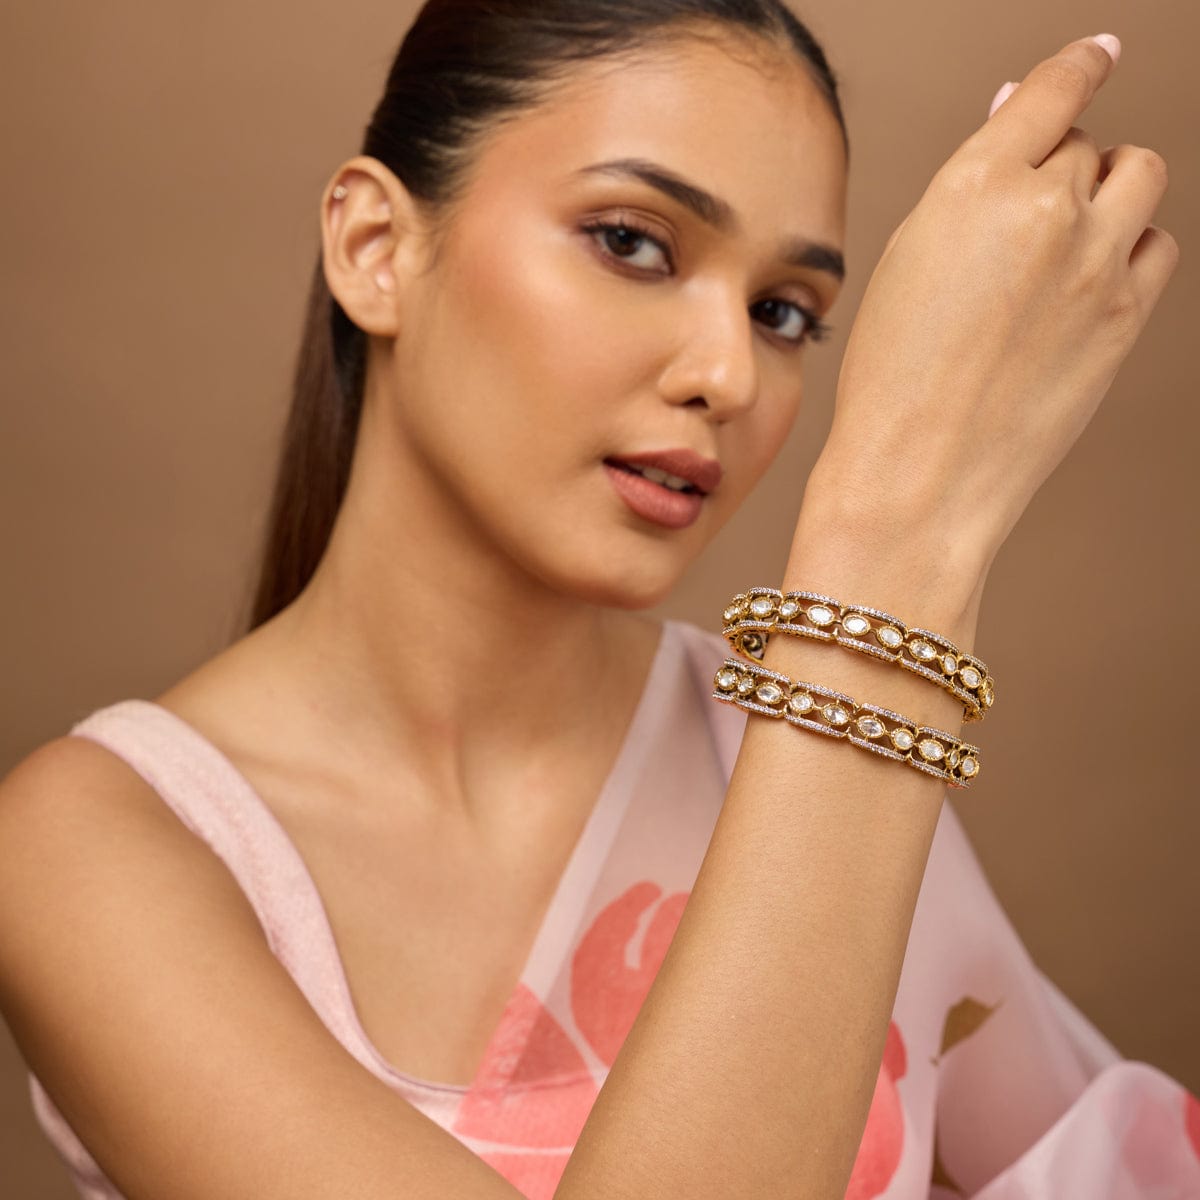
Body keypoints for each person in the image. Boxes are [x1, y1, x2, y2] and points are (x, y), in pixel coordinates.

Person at [0, 1, 1193, 1197]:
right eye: (632, 242)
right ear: (374, 247)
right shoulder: (95, 850)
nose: (728, 375)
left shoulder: (784, 754)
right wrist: (902, 523)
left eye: (783, 313)